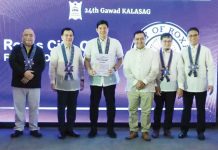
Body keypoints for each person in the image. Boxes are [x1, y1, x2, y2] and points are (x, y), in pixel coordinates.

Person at [84, 20, 123, 138]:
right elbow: (86, 59)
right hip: (95, 78)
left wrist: (115, 68)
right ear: (97, 30)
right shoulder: (90, 43)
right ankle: (93, 129)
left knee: (110, 104)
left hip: (110, 78)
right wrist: (89, 69)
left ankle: (110, 129)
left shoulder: (115, 43)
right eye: (100, 28)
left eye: (104, 28)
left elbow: (121, 58)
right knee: (94, 104)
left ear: (108, 29)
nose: (102, 30)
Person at [178, 27, 214, 140]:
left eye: (195, 35)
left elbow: (211, 67)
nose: (193, 37)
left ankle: (200, 132)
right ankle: (184, 130)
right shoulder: (183, 51)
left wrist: (211, 83)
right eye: (191, 35)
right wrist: (180, 86)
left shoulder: (205, 50)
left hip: (201, 85)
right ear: (187, 37)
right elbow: (180, 70)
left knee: (201, 109)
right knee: (186, 109)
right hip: (187, 86)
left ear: (198, 36)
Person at [123, 30, 159, 141]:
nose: (139, 40)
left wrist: (144, 81)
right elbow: (126, 70)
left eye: (142, 38)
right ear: (134, 40)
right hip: (132, 87)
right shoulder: (129, 53)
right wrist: (135, 82)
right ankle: (133, 130)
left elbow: (155, 70)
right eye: (137, 39)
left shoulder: (153, 53)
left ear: (145, 39)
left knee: (146, 111)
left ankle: (145, 131)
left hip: (148, 87)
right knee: (132, 110)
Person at [9, 28, 45, 138]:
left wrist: (30, 75)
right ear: (22, 37)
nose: (28, 37)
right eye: (26, 35)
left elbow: (41, 65)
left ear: (34, 37)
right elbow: (12, 63)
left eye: (31, 35)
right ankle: (19, 129)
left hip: (34, 84)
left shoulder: (39, 50)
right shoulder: (16, 49)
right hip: (18, 83)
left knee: (34, 108)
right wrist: (24, 73)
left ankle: (34, 128)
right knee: (19, 108)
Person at [49, 27, 84, 139]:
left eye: (71, 35)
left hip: (74, 84)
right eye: (66, 35)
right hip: (61, 84)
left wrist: (82, 79)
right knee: (61, 108)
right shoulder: (56, 50)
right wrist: (52, 81)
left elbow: (81, 67)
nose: (69, 37)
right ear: (62, 37)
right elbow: (52, 67)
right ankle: (61, 131)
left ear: (73, 37)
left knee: (72, 109)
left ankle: (70, 129)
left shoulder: (78, 50)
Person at [152, 33, 183, 138]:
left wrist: (180, 87)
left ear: (172, 42)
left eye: (169, 41)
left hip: (172, 87)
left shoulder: (178, 55)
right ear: (161, 42)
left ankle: (167, 130)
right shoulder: (154, 54)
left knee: (169, 109)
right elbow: (153, 71)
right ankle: (156, 129)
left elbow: (180, 72)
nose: (167, 43)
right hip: (158, 86)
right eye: (165, 41)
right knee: (158, 109)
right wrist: (156, 85)